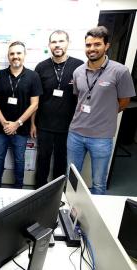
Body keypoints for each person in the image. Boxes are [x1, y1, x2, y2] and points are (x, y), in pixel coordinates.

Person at [67, 26, 135, 195]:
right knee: (71, 178)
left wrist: (105, 114)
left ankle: (95, 220)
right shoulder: (78, 72)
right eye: (88, 45)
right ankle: (68, 213)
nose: (92, 49)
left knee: (98, 183)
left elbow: (124, 101)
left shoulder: (120, 71)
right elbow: (80, 97)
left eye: (97, 44)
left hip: (102, 137)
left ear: (107, 46)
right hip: (75, 133)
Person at [31, 30, 83, 188]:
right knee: (43, 160)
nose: (57, 45)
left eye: (61, 41)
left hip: (68, 126)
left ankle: (58, 192)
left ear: (68, 43)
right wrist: (33, 123)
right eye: (54, 42)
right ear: (49, 45)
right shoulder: (41, 67)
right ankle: (40, 191)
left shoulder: (79, 66)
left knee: (62, 161)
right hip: (44, 124)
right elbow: (35, 99)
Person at [0, 41, 42, 188]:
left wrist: (17, 123)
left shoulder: (33, 77)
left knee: (19, 160)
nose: (15, 56)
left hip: (21, 129)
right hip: (1, 128)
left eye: (19, 53)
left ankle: (18, 189)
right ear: (8, 56)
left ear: (24, 55)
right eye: (12, 53)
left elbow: (35, 105)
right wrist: (4, 123)